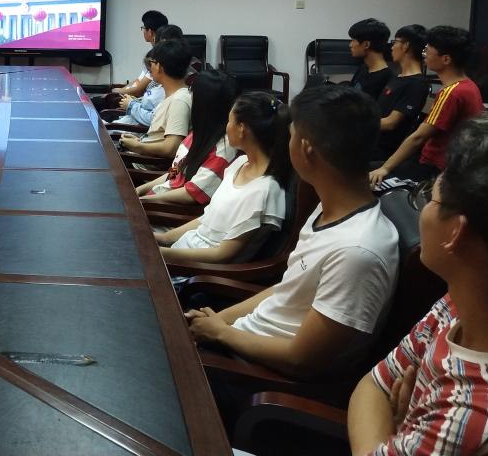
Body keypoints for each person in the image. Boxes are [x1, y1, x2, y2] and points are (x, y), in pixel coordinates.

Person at [186, 85, 399, 379]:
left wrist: (221, 334)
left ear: (306, 149)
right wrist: (217, 323)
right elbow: (286, 291)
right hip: (239, 342)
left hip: (253, 375)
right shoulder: (328, 210)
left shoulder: (358, 251)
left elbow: (301, 360)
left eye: (290, 136)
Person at [347, 111, 488, 456]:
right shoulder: (460, 303)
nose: (422, 209)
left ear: (456, 232)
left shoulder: (470, 415)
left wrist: (399, 429)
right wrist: (398, 435)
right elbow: (373, 385)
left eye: (428, 196)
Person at [155, 91, 291, 266]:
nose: (226, 127)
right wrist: (163, 239)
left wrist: (162, 253)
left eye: (229, 121)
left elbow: (222, 254)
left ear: (241, 128)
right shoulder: (239, 163)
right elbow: (206, 219)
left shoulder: (265, 190)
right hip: (181, 250)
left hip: (197, 270)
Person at [370, 26, 483, 186]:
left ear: (446, 59)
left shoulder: (452, 92)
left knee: (359, 173)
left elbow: (419, 137)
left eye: (428, 50)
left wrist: (385, 168)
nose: (424, 54)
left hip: (432, 169)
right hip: (444, 164)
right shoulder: (469, 86)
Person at [136, 69, 238, 206]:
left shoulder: (224, 149)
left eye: (192, 94)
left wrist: (143, 200)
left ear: (203, 104)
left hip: (166, 210)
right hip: (155, 200)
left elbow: (192, 193)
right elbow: (174, 173)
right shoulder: (197, 134)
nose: (190, 97)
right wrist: (139, 190)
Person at [119, 40, 193, 162]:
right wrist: (137, 141)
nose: (150, 68)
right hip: (140, 154)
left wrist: (138, 146)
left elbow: (172, 148)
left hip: (142, 164)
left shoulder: (179, 101)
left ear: (159, 66)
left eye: (151, 63)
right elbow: (157, 135)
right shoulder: (172, 95)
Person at [373, 24, 431, 163]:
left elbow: (391, 123)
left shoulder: (417, 84)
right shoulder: (397, 77)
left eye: (395, 42)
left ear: (406, 46)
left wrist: (357, 124)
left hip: (384, 151)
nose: (392, 47)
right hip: (372, 140)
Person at [94, 10, 168, 111]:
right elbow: (138, 81)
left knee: (96, 103)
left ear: (150, 32)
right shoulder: (153, 53)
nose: (143, 31)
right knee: (96, 101)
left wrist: (115, 93)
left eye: (143, 28)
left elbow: (139, 89)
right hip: (136, 101)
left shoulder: (158, 57)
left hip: (141, 104)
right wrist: (120, 90)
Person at [112, 51, 164, 128]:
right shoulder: (158, 88)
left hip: (133, 129)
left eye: (150, 71)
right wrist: (136, 101)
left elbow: (152, 119)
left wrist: (131, 105)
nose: (150, 75)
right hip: (129, 122)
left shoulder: (165, 93)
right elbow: (148, 105)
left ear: (159, 67)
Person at [348, 18, 393, 100]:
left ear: (366, 45)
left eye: (353, 40)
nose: (350, 45)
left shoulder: (387, 77)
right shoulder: (363, 68)